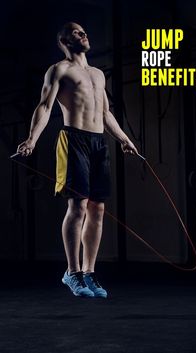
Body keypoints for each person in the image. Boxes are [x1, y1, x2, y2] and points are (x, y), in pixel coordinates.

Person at [17, 22, 138, 298]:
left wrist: (124, 139)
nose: (83, 34)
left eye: (84, 30)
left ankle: (89, 273)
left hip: (98, 142)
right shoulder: (59, 70)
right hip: (73, 140)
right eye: (76, 32)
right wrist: (32, 139)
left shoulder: (97, 74)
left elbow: (106, 113)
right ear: (63, 40)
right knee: (79, 206)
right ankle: (72, 273)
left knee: (98, 209)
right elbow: (45, 106)